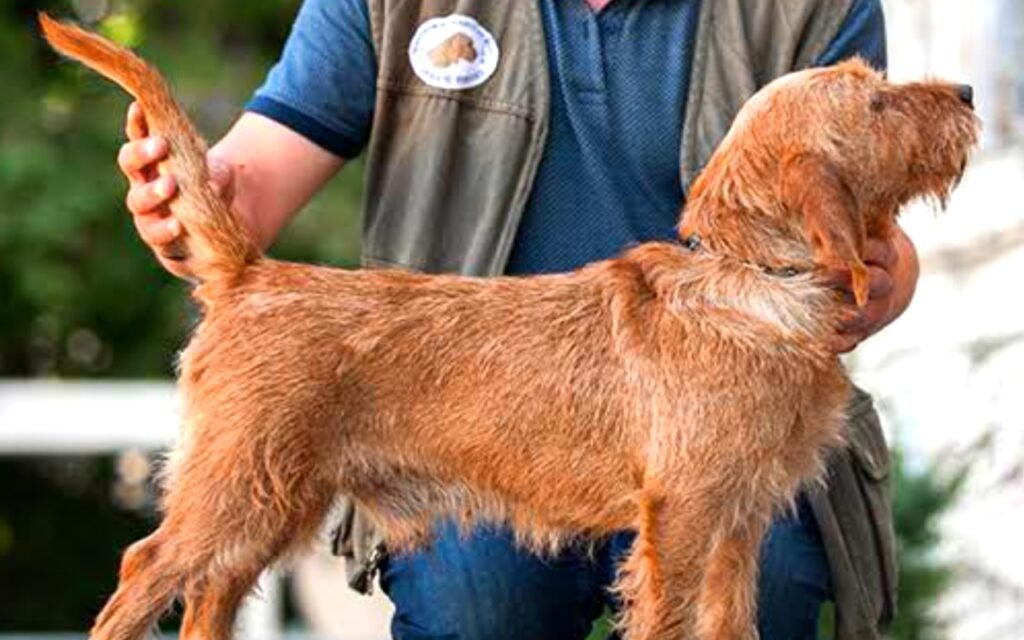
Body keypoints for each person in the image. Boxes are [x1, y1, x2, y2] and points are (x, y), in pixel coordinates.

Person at [117, 1, 907, 637]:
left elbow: (878, 239)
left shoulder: (812, 7)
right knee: (481, 605)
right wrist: (192, 196)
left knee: (759, 581)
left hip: (735, 417)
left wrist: (879, 282)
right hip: (461, 429)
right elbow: (247, 190)